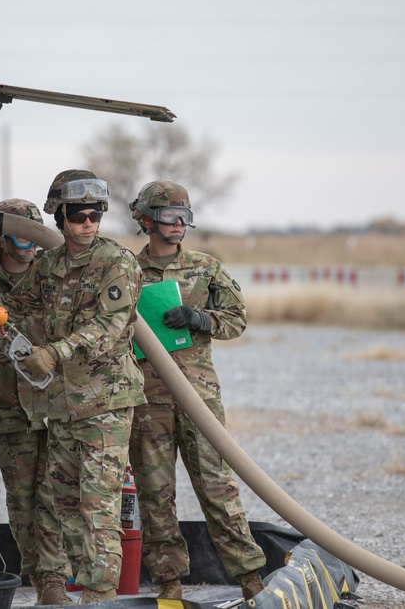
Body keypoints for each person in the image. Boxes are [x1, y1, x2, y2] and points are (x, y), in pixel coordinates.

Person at [4, 170, 146, 604]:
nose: (89, 222)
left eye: (96, 214)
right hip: (63, 404)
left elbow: (109, 326)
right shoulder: (48, 265)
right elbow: (19, 302)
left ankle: (100, 596)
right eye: (79, 215)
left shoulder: (117, 262)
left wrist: (55, 352)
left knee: (98, 504)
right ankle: (78, 586)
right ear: (60, 217)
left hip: (104, 402)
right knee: (65, 502)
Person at [126, 180, 267, 601]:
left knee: (217, 488)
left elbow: (236, 320)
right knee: (155, 494)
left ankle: (250, 580)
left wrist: (199, 319)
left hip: (199, 397)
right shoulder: (126, 270)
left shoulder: (206, 267)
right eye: (170, 216)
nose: (179, 224)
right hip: (148, 399)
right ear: (148, 220)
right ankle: (169, 584)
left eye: (185, 216)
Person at [0, 199, 72, 606]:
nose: (28, 245)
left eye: (33, 236)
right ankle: (39, 574)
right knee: (23, 500)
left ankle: (54, 582)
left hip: (58, 407)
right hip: (10, 413)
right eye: (17, 236)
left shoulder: (55, 280)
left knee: (56, 496)